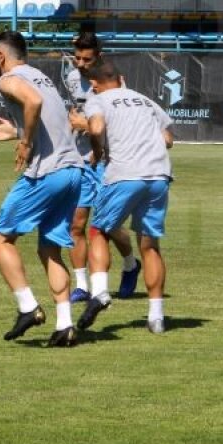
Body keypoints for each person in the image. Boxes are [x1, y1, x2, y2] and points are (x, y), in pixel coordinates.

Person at [0, 30, 84, 347]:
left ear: (0, 55)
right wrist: (17, 132)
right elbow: (49, 116)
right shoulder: (40, 75)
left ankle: (28, 307)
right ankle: (65, 325)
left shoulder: (8, 79)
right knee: (49, 247)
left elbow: (34, 102)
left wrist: (25, 142)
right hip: (74, 171)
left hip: (47, 173)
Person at [76, 60, 174, 334]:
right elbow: (167, 139)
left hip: (124, 174)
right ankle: (156, 317)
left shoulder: (98, 101)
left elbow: (95, 129)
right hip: (158, 175)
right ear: (120, 78)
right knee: (150, 245)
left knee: (98, 231)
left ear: (95, 84)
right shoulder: (145, 100)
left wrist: (98, 152)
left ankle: (100, 293)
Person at [63, 32, 140, 302]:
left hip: (109, 160)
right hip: (80, 159)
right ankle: (82, 285)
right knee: (76, 224)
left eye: (87, 59)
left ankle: (130, 264)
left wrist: (87, 126)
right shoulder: (72, 78)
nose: (81, 64)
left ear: (100, 56)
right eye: (78, 58)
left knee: (107, 224)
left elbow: (120, 118)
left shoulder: (114, 80)